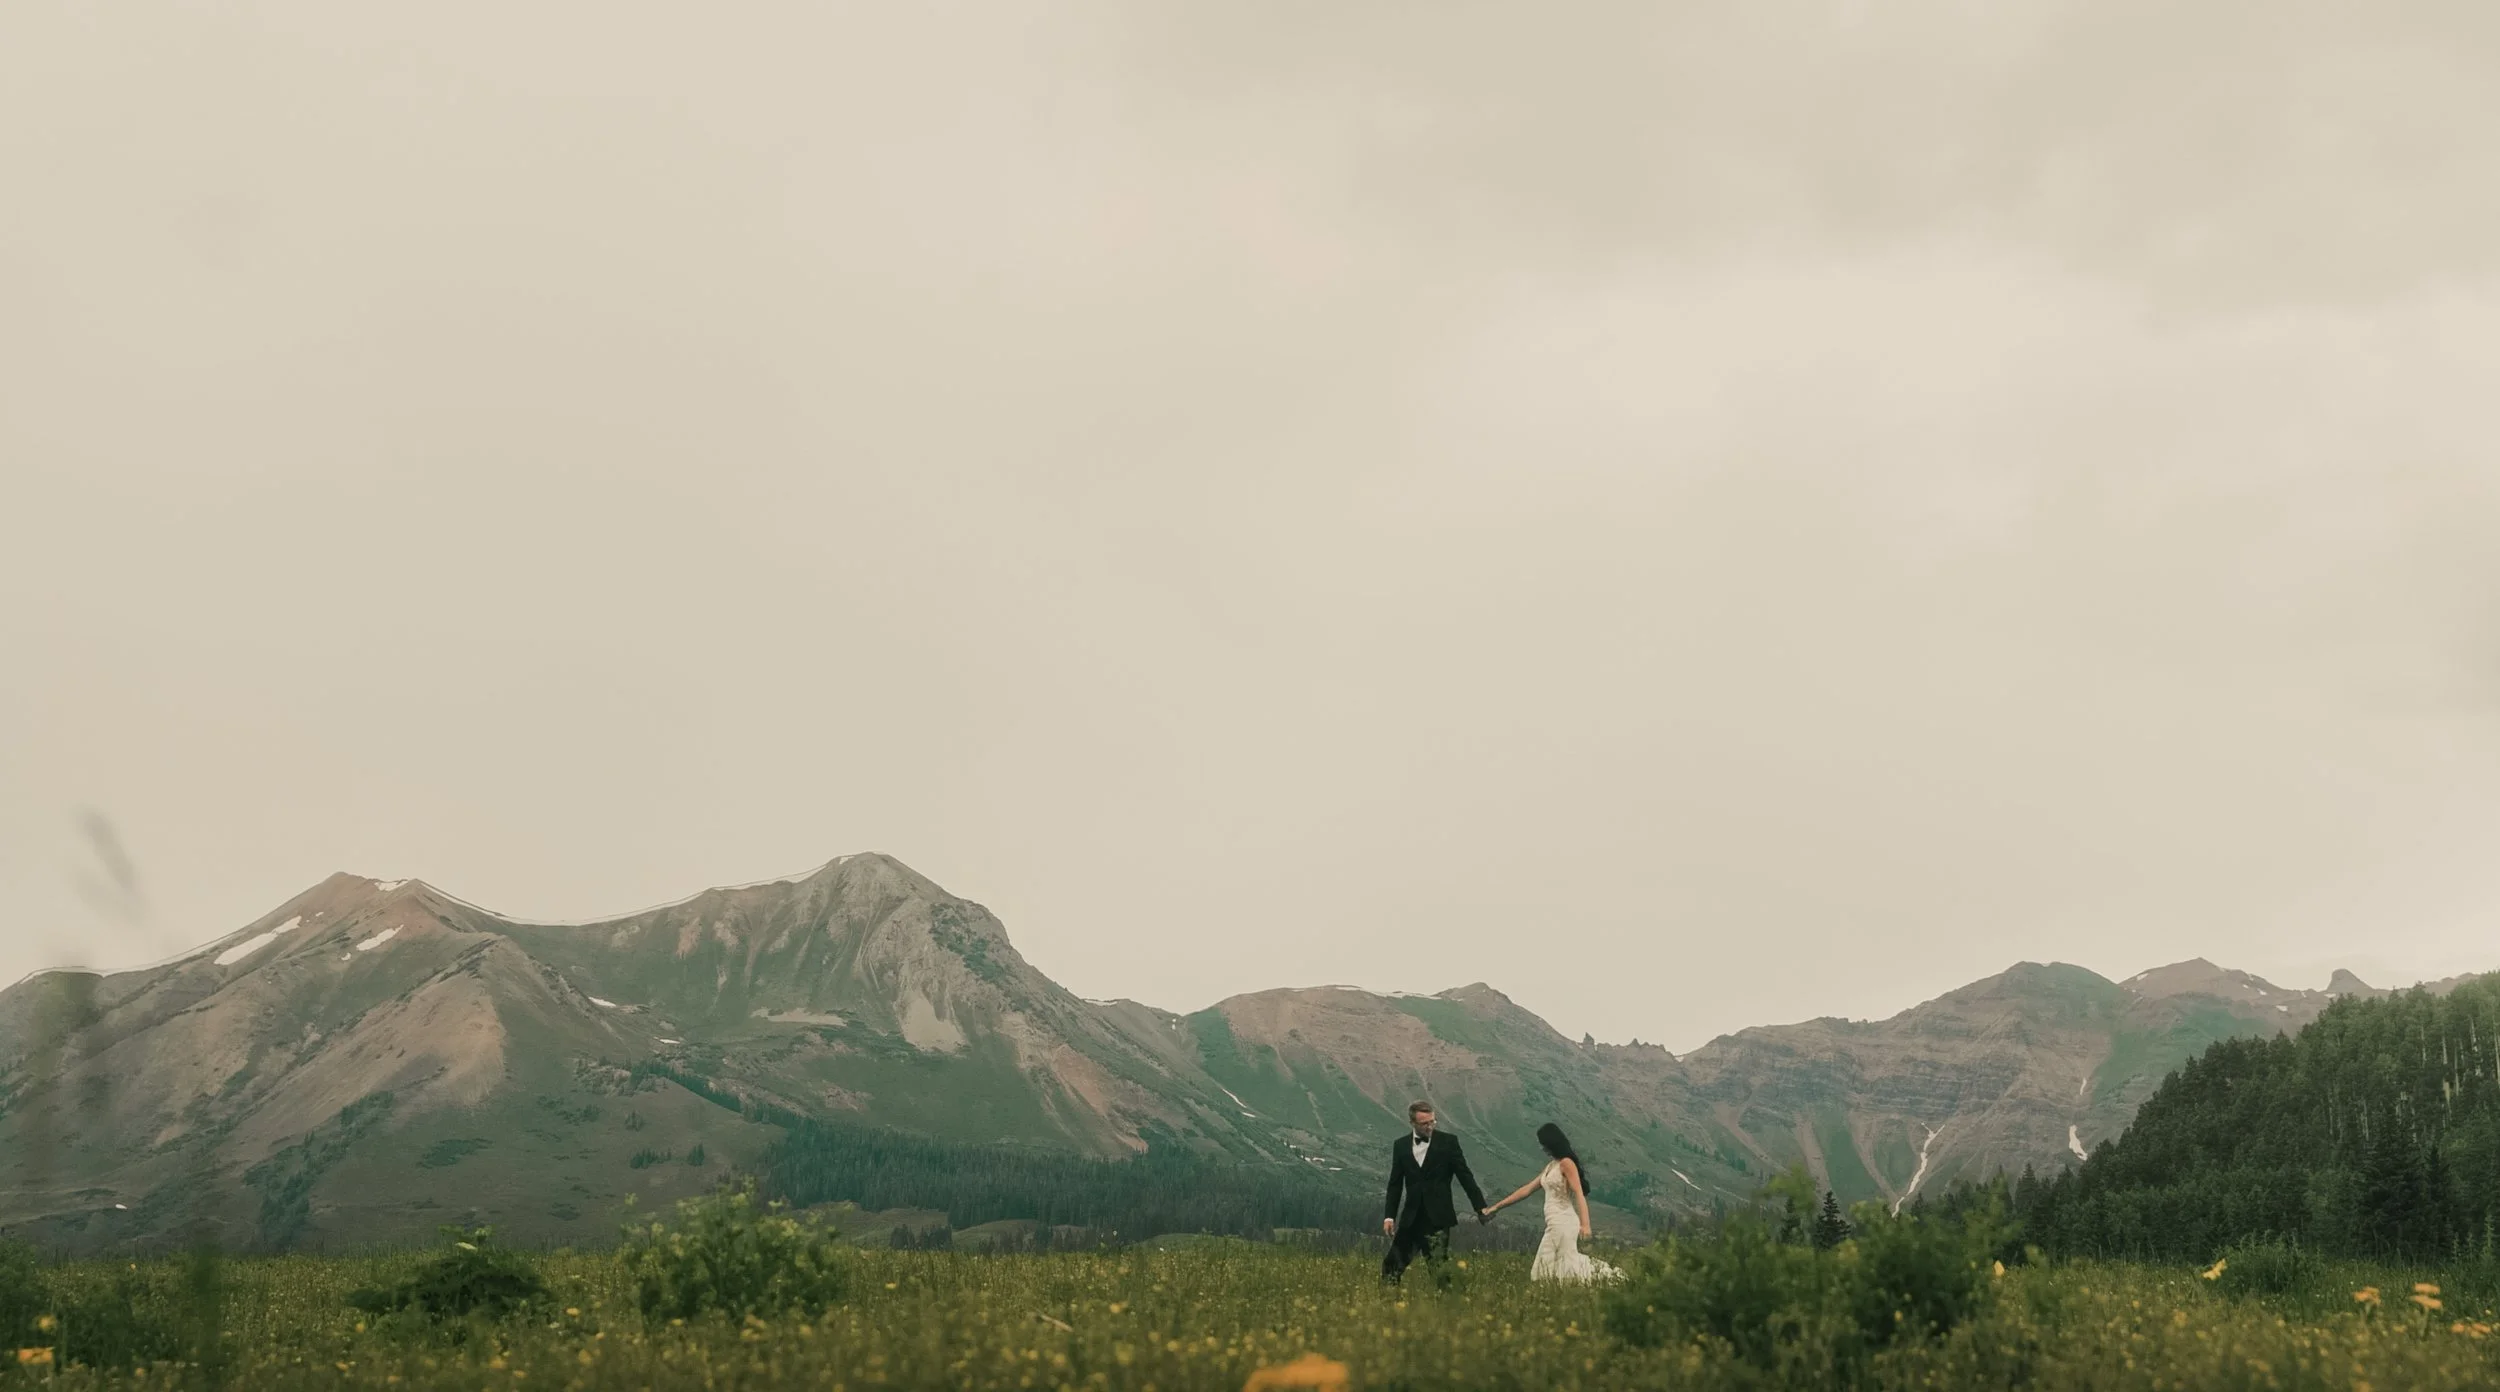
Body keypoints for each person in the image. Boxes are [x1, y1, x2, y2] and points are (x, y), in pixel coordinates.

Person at [1483, 1122, 1621, 1283]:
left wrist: (1586, 1224)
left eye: (1543, 1144)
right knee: (1557, 1266)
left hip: (1563, 1222)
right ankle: (1587, 1285)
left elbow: (1579, 1193)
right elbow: (1526, 1190)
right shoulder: (1551, 1166)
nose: (1542, 1148)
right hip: (1554, 1222)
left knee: (1543, 1270)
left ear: (1551, 1143)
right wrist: (1496, 1207)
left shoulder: (1566, 1164)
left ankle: (1598, 1282)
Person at [1380, 1100, 1489, 1285]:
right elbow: (1395, 1184)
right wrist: (1389, 1216)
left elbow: (1465, 1176)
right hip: (1411, 1218)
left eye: (1433, 1121)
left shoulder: (1449, 1142)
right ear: (1412, 1123)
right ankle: (1390, 1307)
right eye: (1425, 1124)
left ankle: (1447, 1308)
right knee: (1391, 1267)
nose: (1430, 1126)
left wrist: (1480, 1207)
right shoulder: (1400, 1146)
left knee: (1439, 1270)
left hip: (1438, 1218)